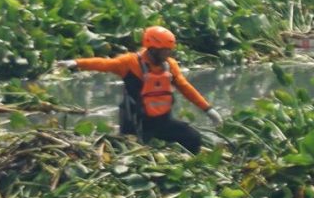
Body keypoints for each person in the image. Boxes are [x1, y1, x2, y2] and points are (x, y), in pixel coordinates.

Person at [57, 26, 223, 153]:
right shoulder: (129, 63)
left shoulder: (169, 65)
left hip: (162, 121)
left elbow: (186, 88)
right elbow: (103, 64)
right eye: (164, 51)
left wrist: (208, 110)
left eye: (169, 50)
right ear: (151, 48)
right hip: (135, 124)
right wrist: (77, 63)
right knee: (132, 153)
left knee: (192, 138)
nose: (167, 54)